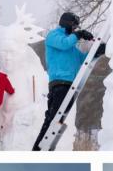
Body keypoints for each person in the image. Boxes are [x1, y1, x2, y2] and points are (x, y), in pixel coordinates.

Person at [31, 12, 98, 150]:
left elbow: (81, 59)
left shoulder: (71, 46)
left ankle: (47, 148)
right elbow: (64, 44)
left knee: (57, 121)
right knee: (53, 118)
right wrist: (78, 35)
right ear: (67, 23)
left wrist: (96, 52)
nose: (74, 29)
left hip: (69, 85)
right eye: (73, 26)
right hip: (59, 84)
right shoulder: (53, 36)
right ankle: (37, 151)